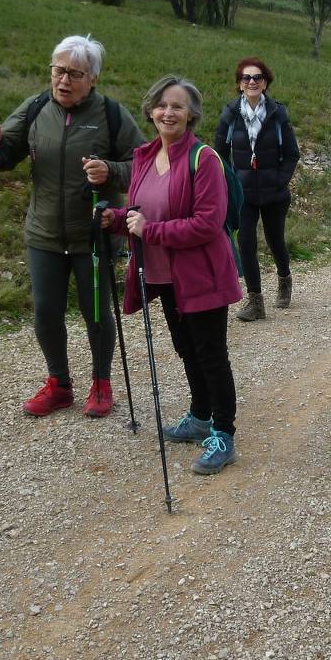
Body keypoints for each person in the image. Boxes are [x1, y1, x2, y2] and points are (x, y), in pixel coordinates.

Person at [0, 36, 146, 418]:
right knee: (46, 312)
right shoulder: (36, 107)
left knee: (96, 312)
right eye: (57, 70)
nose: (63, 80)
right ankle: (59, 384)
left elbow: (142, 166)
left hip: (93, 233)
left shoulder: (113, 115)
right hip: (44, 234)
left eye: (73, 73)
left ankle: (101, 383)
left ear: (93, 79)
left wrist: (111, 171)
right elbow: (4, 156)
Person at [102, 75, 243, 475]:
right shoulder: (144, 157)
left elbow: (207, 223)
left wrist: (151, 231)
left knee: (211, 354)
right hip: (162, 276)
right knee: (187, 348)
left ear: (192, 114)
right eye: (162, 105)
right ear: (150, 110)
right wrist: (115, 220)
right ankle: (200, 416)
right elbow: (141, 213)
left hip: (201, 275)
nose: (169, 112)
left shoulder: (205, 159)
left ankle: (223, 434)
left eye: (178, 106)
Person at [214, 57, 301, 321]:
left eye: (257, 78)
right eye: (246, 78)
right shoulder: (230, 114)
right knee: (246, 243)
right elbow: (218, 155)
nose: (252, 82)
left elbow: (292, 154)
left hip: (274, 193)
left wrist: (279, 181)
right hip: (244, 195)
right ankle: (255, 302)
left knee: (276, 240)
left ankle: (284, 280)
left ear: (265, 83)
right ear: (239, 84)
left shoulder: (277, 114)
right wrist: (230, 185)